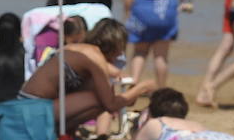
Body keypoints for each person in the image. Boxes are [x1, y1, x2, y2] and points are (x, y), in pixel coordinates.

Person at [19, 18, 153, 128]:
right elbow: (110, 104)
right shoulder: (95, 59)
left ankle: (63, 135)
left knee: (96, 95)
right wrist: (142, 88)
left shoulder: (79, 50)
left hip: (26, 105)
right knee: (98, 100)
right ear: (117, 46)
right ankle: (58, 133)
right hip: (34, 108)